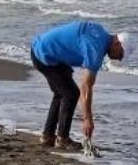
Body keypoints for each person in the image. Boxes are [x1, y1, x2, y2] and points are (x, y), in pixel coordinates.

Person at [29, 20, 131, 151]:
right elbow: (86, 86)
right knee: (70, 94)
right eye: (121, 54)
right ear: (117, 43)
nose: (120, 59)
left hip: (43, 49)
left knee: (62, 92)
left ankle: (48, 136)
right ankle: (62, 138)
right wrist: (87, 119)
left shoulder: (100, 33)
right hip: (43, 55)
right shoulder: (96, 49)